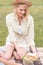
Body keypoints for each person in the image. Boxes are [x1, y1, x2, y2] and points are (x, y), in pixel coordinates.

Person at [0, 0, 42, 65]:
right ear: (16, 8)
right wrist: (18, 50)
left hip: (23, 41)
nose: (23, 12)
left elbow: (30, 37)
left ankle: (13, 52)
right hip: (12, 40)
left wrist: (35, 52)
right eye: (21, 10)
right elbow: (12, 35)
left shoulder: (30, 19)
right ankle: (11, 60)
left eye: (25, 10)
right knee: (6, 57)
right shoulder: (9, 17)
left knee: (20, 57)